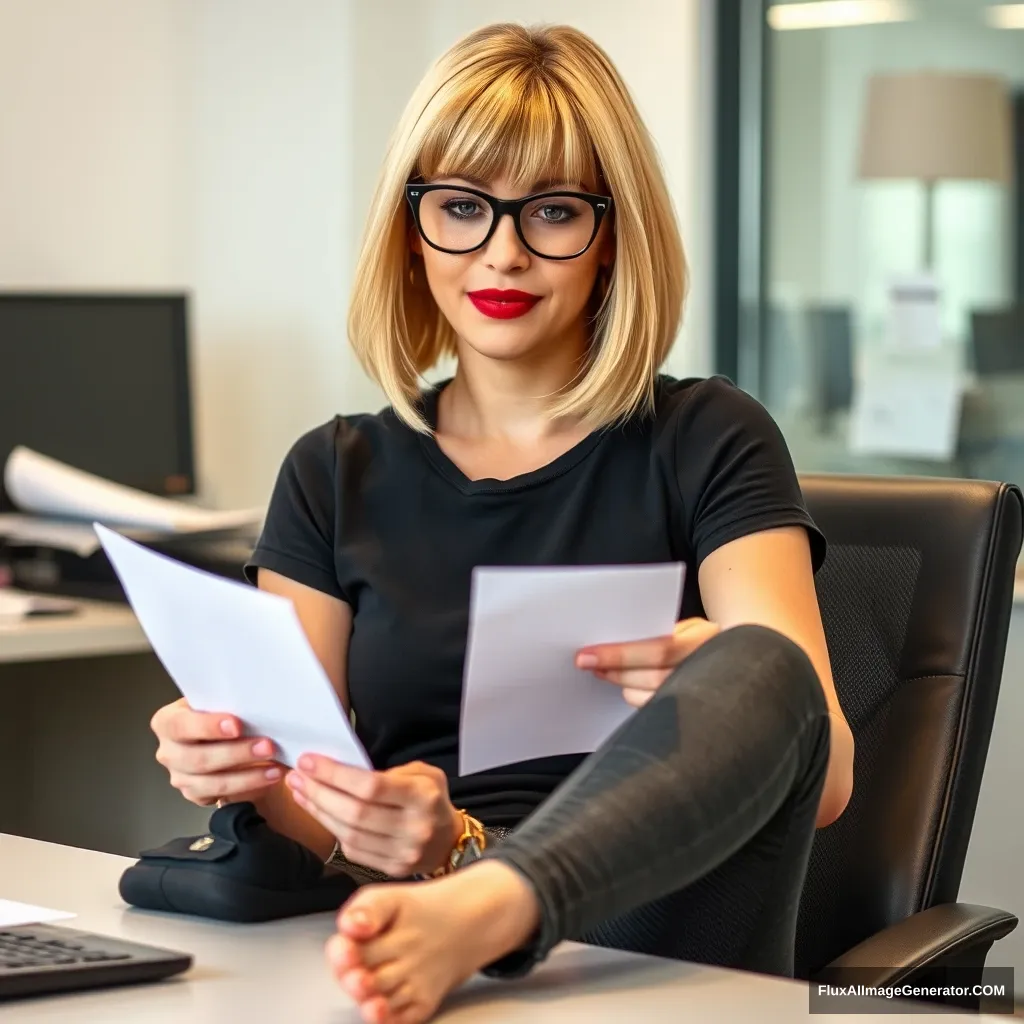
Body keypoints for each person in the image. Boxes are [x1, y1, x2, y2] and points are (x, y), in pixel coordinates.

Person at [149, 21, 855, 1024]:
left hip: (655, 942)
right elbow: (306, 812)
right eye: (463, 208)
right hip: (409, 940)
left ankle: (500, 904)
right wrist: (234, 766)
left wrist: (714, 666)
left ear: (613, 237)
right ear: (412, 225)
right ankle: (479, 902)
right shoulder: (331, 470)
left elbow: (822, 773)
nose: (504, 253)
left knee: (762, 663)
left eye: (555, 211)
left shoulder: (710, 436)